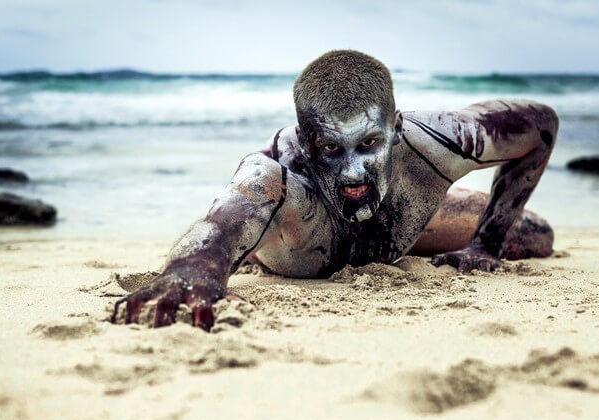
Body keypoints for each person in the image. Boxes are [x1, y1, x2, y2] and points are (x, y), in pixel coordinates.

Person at [112, 50, 558, 330]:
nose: (352, 172)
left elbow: (541, 125)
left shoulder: (438, 140)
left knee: (536, 235)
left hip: (401, 217)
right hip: (297, 233)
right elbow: (232, 209)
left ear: (395, 127)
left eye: (369, 144)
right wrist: (194, 269)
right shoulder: (279, 173)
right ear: (307, 142)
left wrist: (485, 245)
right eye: (331, 148)